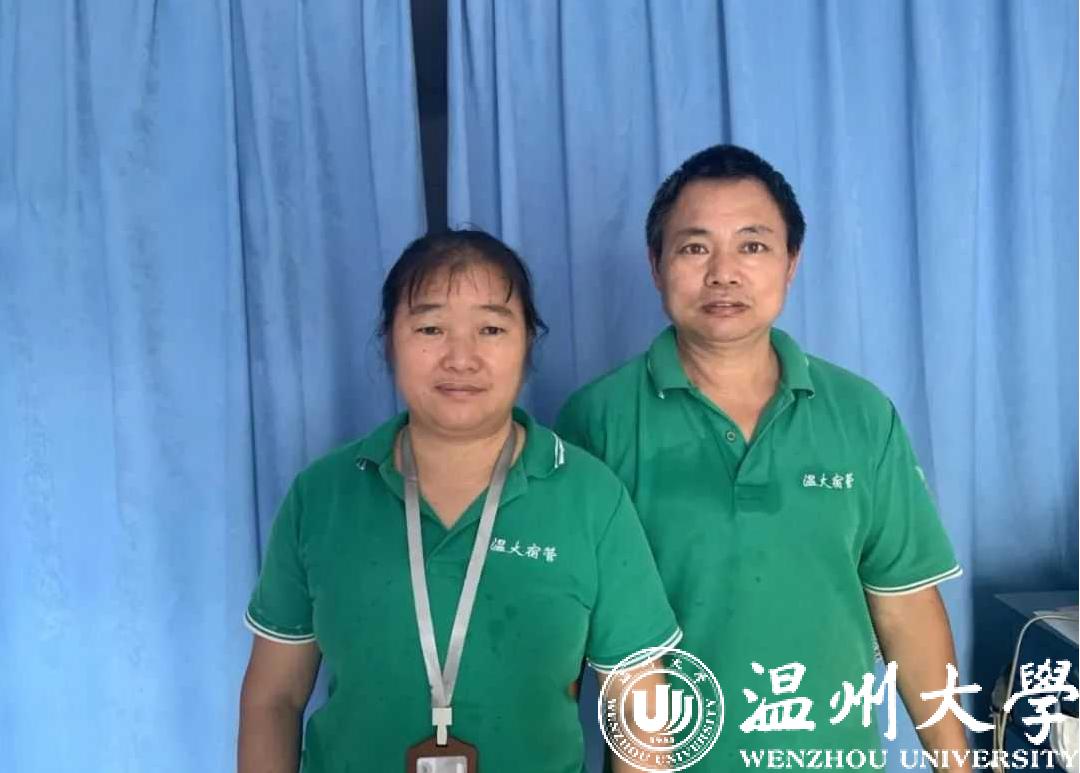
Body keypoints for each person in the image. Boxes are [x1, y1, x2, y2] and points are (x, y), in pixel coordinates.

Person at [556, 145, 974, 769]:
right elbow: (561, 631)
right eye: (695, 248)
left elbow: (905, 609)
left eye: (752, 246)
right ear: (655, 264)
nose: (723, 273)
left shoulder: (860, 414)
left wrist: (956, 764)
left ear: (791, 262)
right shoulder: (597, 421)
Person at [237, 230, 681, 773]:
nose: (461, 358)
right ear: (388, 341)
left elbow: (639, 710)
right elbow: (274, 699)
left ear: (528, 343)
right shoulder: (323, 495)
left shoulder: (591, 497)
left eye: (491, 329)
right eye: (430, 329)